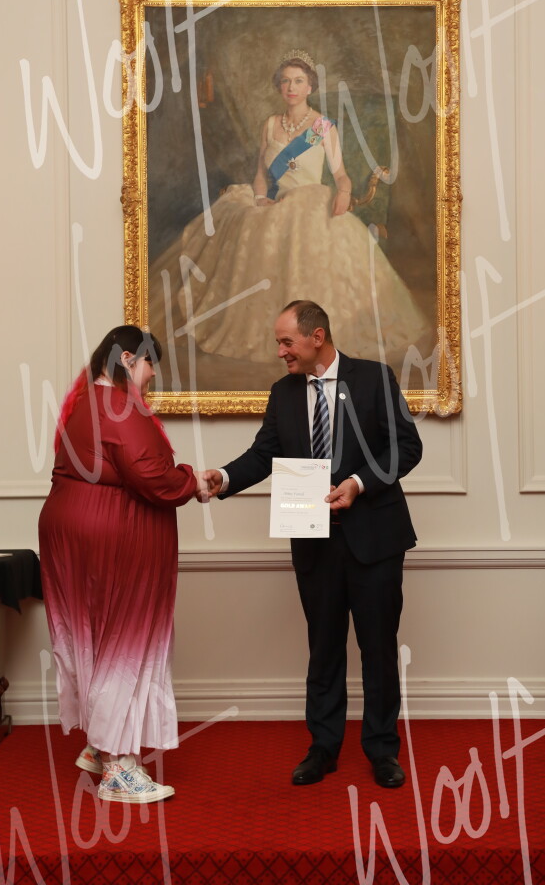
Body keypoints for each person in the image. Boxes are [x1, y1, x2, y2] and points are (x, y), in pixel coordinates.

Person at [200, 300, 422, 787]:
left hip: (375, 540)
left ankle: (382, 751)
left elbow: (407, 447)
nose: (280, 352)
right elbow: (264, 454)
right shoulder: (283, 393)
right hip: (314, 542)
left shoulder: (374, 378)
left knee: (378, 650)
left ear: (316, 337)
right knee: (323, 649)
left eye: (286, 342)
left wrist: (358, 484)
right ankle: (323, 748)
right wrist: (225, 477)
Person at [176, 49, 429, 368]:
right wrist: (260, 199)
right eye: (285, 81)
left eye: (298, 81)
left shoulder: (322, 127)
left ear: (310, 87)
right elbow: (260, 174)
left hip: (311, 202)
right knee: (246, 225)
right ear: (279, 87)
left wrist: (344, 192)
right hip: (275, 203)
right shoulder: (270, 125)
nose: (291, 87)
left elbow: (340, 174)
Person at [39, 325, 201, 803]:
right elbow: (153, 476)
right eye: (150, 366)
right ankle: (117, 768)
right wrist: (192, 481)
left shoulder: (85, 401)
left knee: (95, 637)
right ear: (128, 359)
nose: (151, 378)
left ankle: (99, 744)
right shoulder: (118, 405)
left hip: (73, 530)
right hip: (107, 537)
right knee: (124, 642)